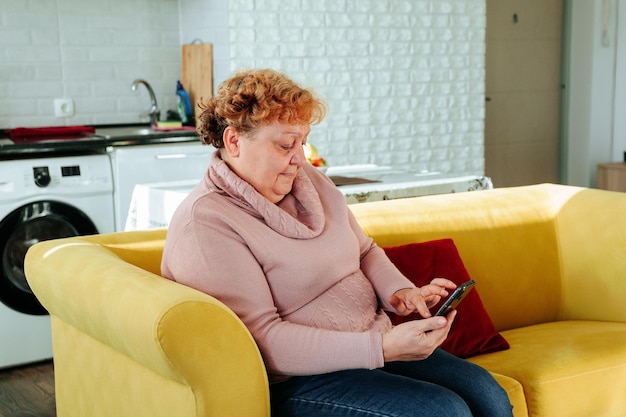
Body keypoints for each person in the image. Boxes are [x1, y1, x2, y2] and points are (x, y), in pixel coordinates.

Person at [161, 68, 513, 417]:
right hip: (295, 379)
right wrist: (381, 348)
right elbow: (263, 340)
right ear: (234, 142)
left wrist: (401, 293)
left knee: (488, 395)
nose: (300, 158)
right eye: (285, 145)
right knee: (442, 411)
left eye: (303, 141)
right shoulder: (206, 223)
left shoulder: (309, 180)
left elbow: (364, 250)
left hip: (370, 345)